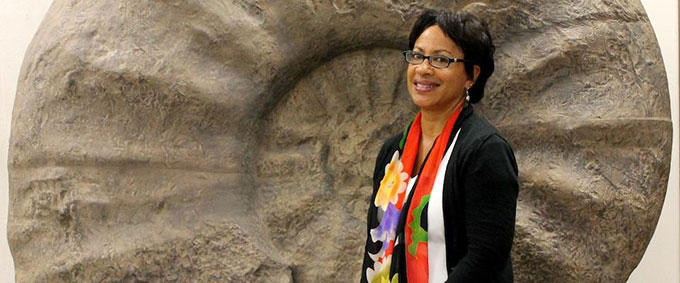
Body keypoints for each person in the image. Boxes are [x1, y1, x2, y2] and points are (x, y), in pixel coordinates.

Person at [361, 9, 518, 283]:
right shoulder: (392, 152)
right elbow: (375, 251)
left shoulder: (485, 150)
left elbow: (486, 257)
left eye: (441, 59)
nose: (424, 69)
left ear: (471, 75)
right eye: (418, 55)